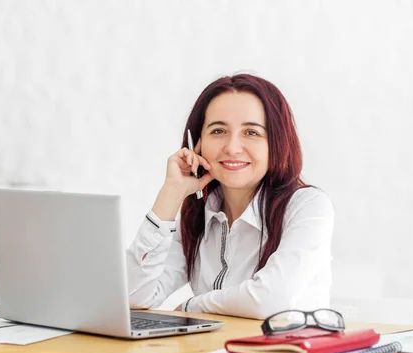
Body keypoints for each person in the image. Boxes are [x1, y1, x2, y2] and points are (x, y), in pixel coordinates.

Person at [126, 73, 334, 320]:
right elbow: (133, 296)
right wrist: (172, 193)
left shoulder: (307, 207)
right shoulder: (198, 214)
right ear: (197, 143)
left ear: (276, 143)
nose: (233, 147)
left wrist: (191, 307)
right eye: (218, 130)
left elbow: (269, 300)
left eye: (252, 133)